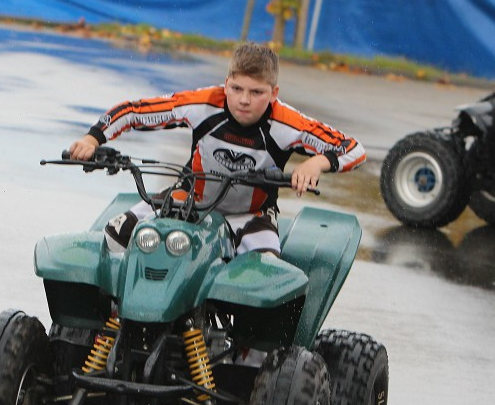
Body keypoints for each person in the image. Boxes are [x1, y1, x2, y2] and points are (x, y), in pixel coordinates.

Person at [67, 42, 366, 254]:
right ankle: (111, 324)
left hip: (250, 215)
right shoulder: (203, 104)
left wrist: (317, 163)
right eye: (236, 89)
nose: (244, 100)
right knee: (114, 236)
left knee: (265, 273)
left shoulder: (288, 123)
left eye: (257, 92)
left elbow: (353, 149)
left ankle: (252, 346)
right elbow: (134, 111)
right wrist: (92, 139)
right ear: (226, 84)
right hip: (187, 199)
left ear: (274, 94)